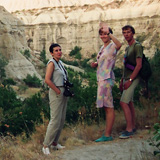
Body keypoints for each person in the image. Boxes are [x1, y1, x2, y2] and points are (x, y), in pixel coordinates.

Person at [91, 23, 122, 142]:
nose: (103, 36)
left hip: (107, 78)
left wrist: (109, 33)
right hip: (101, 79)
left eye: (106, 34)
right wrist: (95, 64)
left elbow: (119, 45)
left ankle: (108, 134)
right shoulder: (102, 48)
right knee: (105, 106)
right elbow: (102, 61)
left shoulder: (112, 46)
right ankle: (107, 132)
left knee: (109, 106)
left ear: (109, 34)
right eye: (102, 34)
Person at [42, 43, 68, 155]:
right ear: (51, 53)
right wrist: (57, 90)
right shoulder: (51, 63)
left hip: (63, 91)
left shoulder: (60, 63)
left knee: (61, 119)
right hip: (56, 92)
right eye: (56, 50)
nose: (59, 52)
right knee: (55, 120)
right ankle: (45, 145)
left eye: (60, 50)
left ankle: (54, 143)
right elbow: (47, 80)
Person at [119, 25, 143, 139]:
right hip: (127, 77)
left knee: (123, 102)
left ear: (132, 33)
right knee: (129, 102)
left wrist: (130, 80)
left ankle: (129, 130)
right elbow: (125, 66)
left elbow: (139, 65)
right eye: (124, 32)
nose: (126, 34)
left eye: (128, 32)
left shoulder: (137, 46)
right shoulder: (128, 48)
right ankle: (132, 126)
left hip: (134, 77)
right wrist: (122, 80)